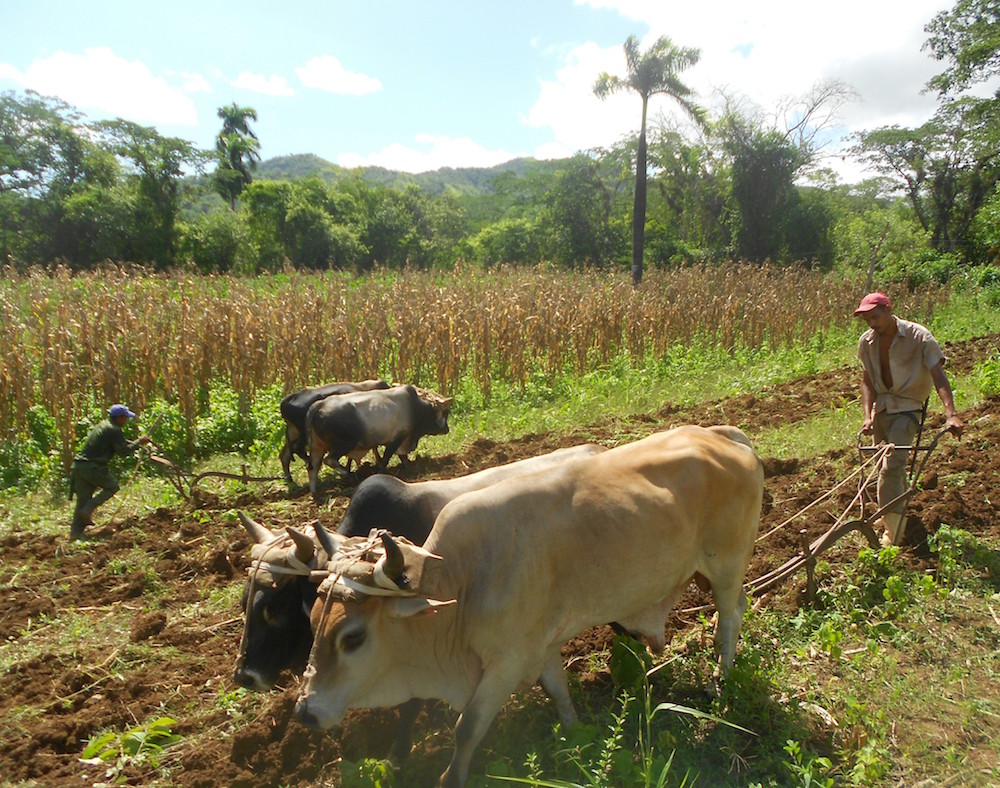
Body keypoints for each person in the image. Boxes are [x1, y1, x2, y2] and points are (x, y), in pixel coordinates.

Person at [854, 292, 963, 546]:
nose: (872, 324)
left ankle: (893, 534)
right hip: (882, 410)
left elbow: (939, 376)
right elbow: (867, 380)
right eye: (867, 320)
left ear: (889, 309)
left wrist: (952, 414)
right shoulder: (866, 342)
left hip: (908, 408)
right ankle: (894, 513)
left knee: (891, 467)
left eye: (876, 317)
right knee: (890, 466)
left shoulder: (918, 336)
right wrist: (867, 415)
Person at [69, 404, 151, 540]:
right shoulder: (114, 430)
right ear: (119, 418)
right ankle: (90, 508)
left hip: (79, 466)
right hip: (93, 467)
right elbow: (123, 451)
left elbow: (117, 443)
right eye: (125, 418)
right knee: (112, 487)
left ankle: (75, 534)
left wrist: (135, 443)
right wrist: (139, 442)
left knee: (82, 501)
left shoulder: (103, 425)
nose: (126, 421)